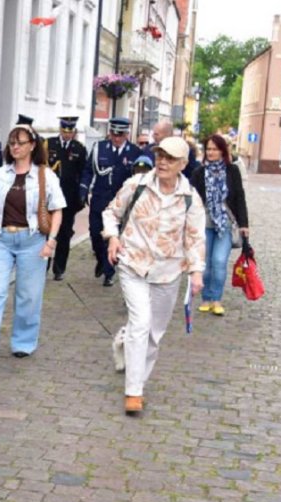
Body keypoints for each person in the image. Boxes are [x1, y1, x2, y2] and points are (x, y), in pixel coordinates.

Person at [102, 137, 203, 416]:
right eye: (159, 155)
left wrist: (196, 272)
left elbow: (194, 238)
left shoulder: (189, 198)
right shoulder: (137, 185)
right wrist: (112, 237)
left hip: (168, 272)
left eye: (170, 158)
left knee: (154, 334)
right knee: (141, 323)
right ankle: (134, 391)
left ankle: (131, 356)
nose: (162, 162)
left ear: (183, 164)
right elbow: (111, 212)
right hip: (132, 263)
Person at [0, 123, 66, 360]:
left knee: (28, 295)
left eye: (20, 142)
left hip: (32, 241)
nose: (15, 147)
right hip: (1, 239)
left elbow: (57, 210)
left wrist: (51, 242)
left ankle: (23, 341)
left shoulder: (45, 176)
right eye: (12, 143)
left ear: (32, 145)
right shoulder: (0, 175)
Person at [188, 134, 249, 315]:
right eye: (208, 149)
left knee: (220, 261)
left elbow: (239, 197)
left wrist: (244, 223)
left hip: (225, 224)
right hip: (204, 223)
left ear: (222, 151)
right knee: (205, 263)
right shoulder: (199, 172)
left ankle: (216, 299)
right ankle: (206, 298)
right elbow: (192, 198)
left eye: (215, 149)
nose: (211, 152)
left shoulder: (232, 171)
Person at [82, 117, 140, 286]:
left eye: (120, 135)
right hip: (100, 199)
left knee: (114, 237)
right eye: (114, 134)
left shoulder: (134, 152)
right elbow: (88, 170)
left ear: (126, 134)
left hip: (121, 204)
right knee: (95, 234)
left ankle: (109, 271)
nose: (116, 138)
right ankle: (100, 259)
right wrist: (83, 189)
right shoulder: (100, 148)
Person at [46, 115, 89, 281]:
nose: (67, 135)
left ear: (74, 132)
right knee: (47, 233)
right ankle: (44, 265)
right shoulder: (48, 144)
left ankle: (59, 268)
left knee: (64, 235)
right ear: (60, 130)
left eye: (70, 132)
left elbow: (84, 172)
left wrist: (82, 192)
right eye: (64, 131)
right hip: (49, 199)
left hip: (68, 200)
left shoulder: (79, 148)